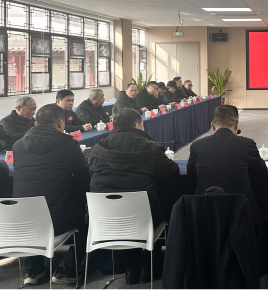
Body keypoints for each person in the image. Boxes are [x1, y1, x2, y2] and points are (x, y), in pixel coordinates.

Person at [88, 108, 179, 285]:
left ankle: (131, 268)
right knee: (162, 206)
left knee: (126, 209)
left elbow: (90, 173)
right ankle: (149, 266)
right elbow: (172, 173)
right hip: (144, 219)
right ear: (137, 126)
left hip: (104, 219)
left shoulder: (97, 148)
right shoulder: (150, 148)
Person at [12, 104, 90, 285]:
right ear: (61, 123)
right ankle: (68, 269)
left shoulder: (18, 145)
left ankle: (34, 269)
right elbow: (84, 175)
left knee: (35, 208)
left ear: (35, 123)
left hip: (20, 220)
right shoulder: (68, 144)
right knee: (88, 216)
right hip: (56, 218)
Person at [187, 105, 268, 227]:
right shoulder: (247, 144)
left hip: (205, 212)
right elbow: (262, 172)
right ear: (236, 124)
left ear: (213, 125)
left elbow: (191, 175)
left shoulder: (197, 145)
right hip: (240, 214)